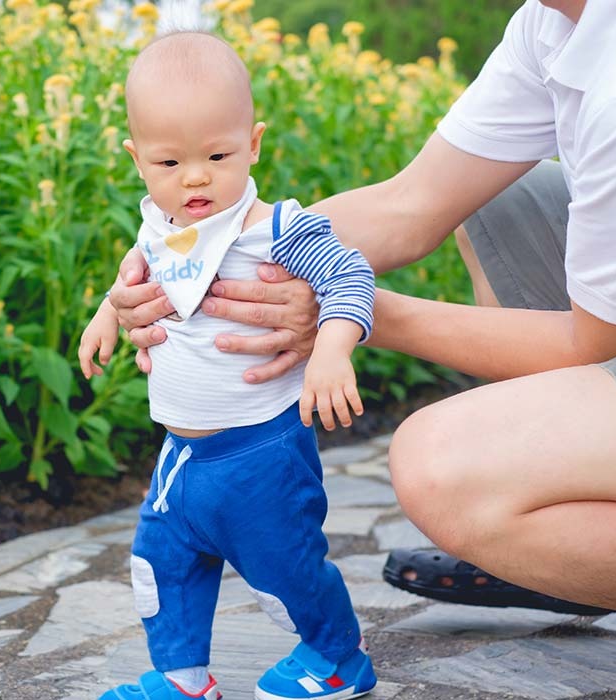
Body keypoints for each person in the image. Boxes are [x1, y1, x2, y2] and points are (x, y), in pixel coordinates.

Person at [109, 0, 616, 616]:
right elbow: (412, 204)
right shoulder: (557, 23)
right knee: (503, 200)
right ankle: (576, 541)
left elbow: (610, 347)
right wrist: (222, 258)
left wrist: (350, 309)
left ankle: (573, 537)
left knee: (440, 469)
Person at [79, 31, 378, 700]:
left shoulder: (273, 228)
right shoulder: (160, 222)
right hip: (179, 452)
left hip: (260, 447)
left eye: (218, 155)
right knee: (162, 566)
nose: (194, 178)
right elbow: (136, 270)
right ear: (137, 159)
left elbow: (350, 274)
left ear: (255, 144)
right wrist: (107, 315)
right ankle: (182, 680)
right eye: (168, 162)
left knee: (286, 568)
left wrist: (333, 348)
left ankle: (337, 657)